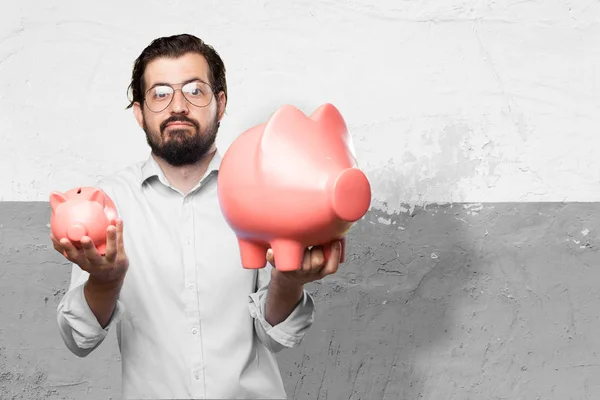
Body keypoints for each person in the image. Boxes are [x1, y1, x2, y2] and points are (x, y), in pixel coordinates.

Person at [51, 33, 342, 399]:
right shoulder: (108, 202)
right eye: (160, 93)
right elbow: (79, 339)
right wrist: (105, 281)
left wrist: (289, 281)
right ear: (140, 112)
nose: (178, 106)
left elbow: (277, 337)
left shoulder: (264, 191)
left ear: (220, 103)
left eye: (194, 90)